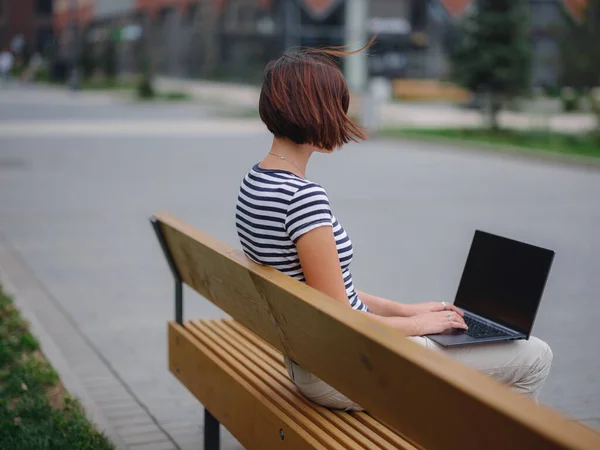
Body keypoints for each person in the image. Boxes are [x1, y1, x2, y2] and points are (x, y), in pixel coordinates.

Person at [235, 45, 553, 411]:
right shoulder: (302, 199)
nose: (343, 116)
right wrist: (421, 325)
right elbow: (343, 319)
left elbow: (328, 291)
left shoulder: (256, 182)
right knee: (535, 355)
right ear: (313, 110)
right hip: (342, 368)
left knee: (477, 347)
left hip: (311, 358)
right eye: (338, 106)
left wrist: (405, 310)